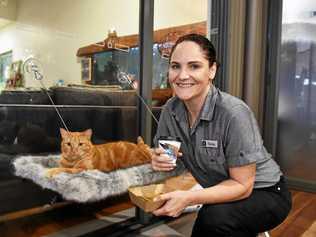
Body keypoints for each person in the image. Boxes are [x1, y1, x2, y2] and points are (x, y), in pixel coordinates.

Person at [151, 33, 292, 237]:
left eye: (194, 66)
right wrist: (159, 159)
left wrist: (191, 198)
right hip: (223, 189)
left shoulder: (234, 113)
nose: (182, 75)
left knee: (213, 219)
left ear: (212, 70)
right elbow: (172, 161)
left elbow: (243, 186)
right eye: (175, 66)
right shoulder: (170, 111)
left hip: (265, 192)